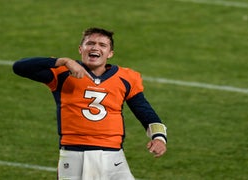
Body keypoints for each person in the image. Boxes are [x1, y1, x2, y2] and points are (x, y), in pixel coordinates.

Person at [13, 27, 167, 180]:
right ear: (81, 49)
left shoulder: (126, 78)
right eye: (90, 43)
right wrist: (63, 61)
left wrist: (159, 138)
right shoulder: (62, 73)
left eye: (102, 45)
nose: (95, 47)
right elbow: (19, 67)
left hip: (113, 155)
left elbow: (145, 112)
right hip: (75, 155)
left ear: (110, 53)